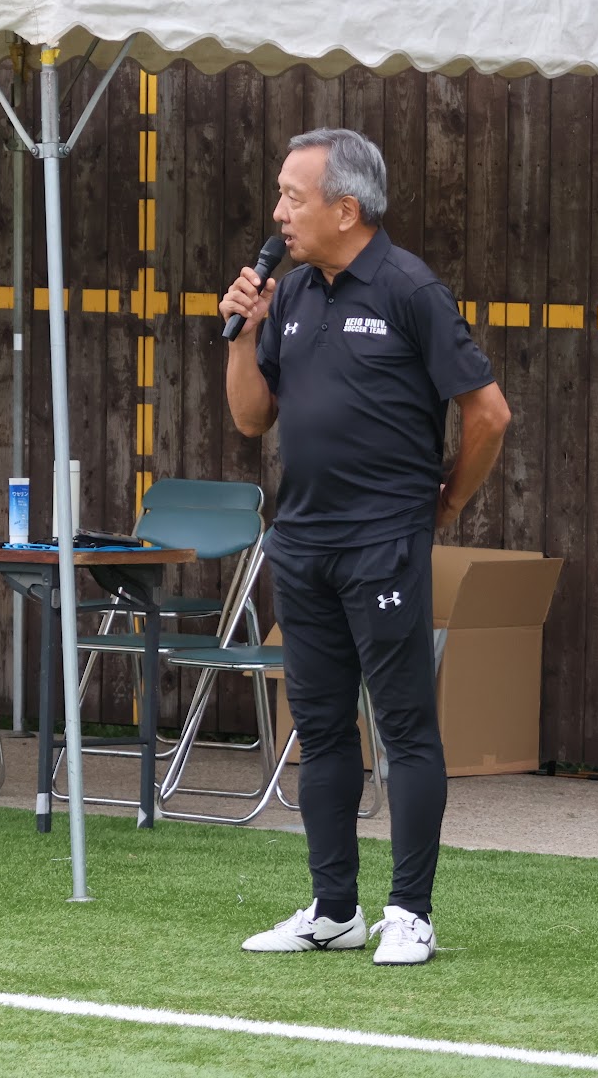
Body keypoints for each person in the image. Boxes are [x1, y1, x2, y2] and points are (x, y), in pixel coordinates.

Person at [219, 128, 511, 965]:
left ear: (346, 209)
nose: (279, 213)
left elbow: (489, 414)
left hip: (383, 547)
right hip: (302, 546)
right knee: (321, 728)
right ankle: (334, 910)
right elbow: (251, 418)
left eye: (294, 197)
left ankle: (410, 912)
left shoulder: (411, 289)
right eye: (280, 195)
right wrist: (242, 331)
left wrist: (446, 502)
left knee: (405, 726)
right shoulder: (291, 294)